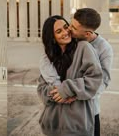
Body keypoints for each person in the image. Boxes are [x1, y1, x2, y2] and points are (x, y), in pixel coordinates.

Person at [40, 8, 113, 136]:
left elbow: (100, 82)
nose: (68, 30)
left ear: (87, 34)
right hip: (58, 118)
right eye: (69, 24)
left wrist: (70, 93)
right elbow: (43, 85)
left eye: (71, 27)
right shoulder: (60, 50)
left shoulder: (101, 48)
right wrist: (56, 93)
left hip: (85, 113)